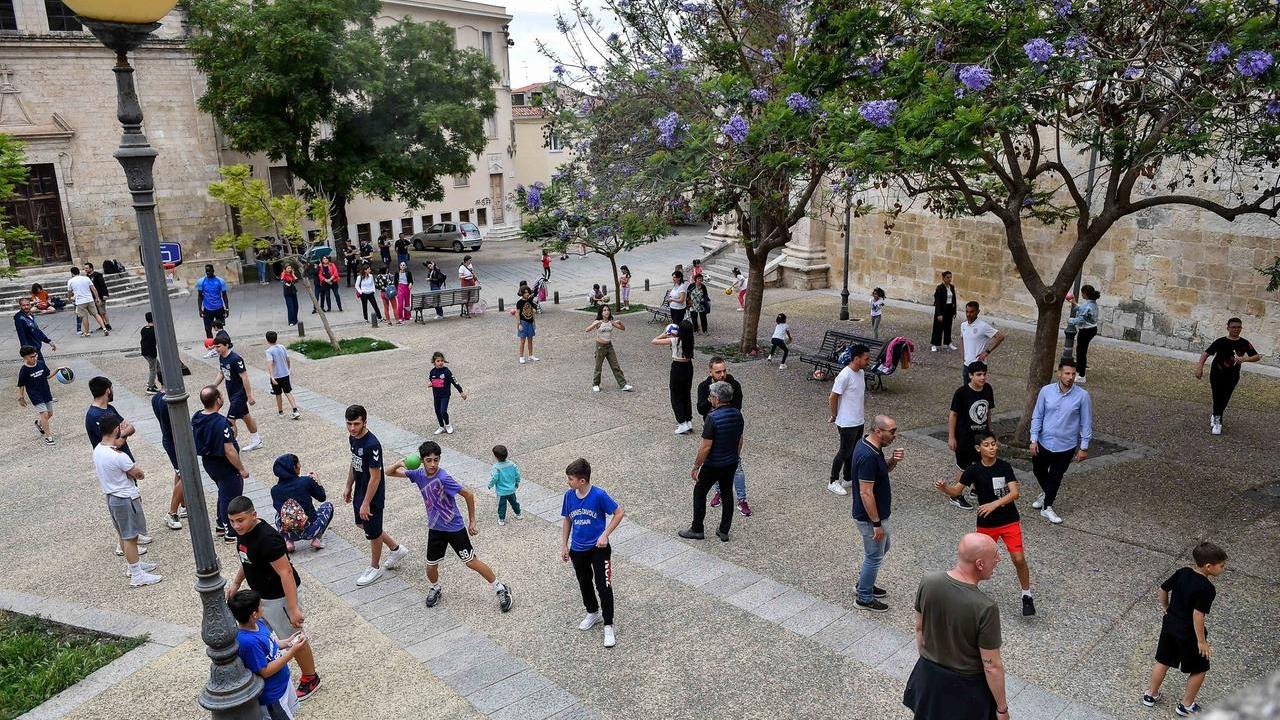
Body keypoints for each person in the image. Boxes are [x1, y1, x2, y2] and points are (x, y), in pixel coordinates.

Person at [385, 441, 512, 612]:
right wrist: (401, 462)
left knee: (471, 562)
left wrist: (472, 521)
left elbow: (468, 494)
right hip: (435, 528)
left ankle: (500, 587)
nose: (433, 464)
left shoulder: (443, 478)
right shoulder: (418, 474)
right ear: (422, 460)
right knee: (430, 566)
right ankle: (435, 588)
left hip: (454, 528)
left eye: (436, 460)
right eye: (428, 460)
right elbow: (389, 472)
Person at [225, 496, 322, 703]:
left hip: (280, 597)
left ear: (254, 516)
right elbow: (247, 559)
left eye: (240, 520)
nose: (236, 526)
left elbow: (286, 572)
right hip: (261, 597)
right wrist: (235, 582)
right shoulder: (244, 533)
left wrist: (293, 608)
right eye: (232, 521)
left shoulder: (267, 539)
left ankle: (310, 677)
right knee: (268, 637)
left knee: (294, 636)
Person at [902, 534, 1008, 720]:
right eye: (995, 556)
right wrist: (1002, 709)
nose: (998, 560)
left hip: (928, 679)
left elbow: (919, 628)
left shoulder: (929, 581)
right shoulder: (985, 607)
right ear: (980, 564)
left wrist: (931, 660)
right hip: (965, 690)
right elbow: (991, 666)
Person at [935, 431, 1035, 616]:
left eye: (994, 444)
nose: (992, 448)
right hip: (987, 524)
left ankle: (1026, 596)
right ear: (978, 448)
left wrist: (993, 504)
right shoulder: (973, 470)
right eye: (987, 445)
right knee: (977, 561)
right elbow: (956, 490)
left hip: (1009, 520)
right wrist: (944, 489)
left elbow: (1014, 494)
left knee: (1018, 559)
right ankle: (968, 592)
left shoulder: (1004, 467)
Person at [1143, 541, 1227, 717]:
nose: (1223, 569)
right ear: (1209, 567)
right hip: (1188, 633)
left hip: (1170, 624)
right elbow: (1198, 615)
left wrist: (1166, 607)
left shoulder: (1182, 573)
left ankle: (1150, 694)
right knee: (1199, 669)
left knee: (1163, 660)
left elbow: (1163, 588)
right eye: (1222, 566)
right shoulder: (1207, 588)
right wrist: (1201, 641)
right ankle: (1186, 705)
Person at [560, 457, 625, 648]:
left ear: (583, 480)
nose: (568, 482)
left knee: (603, 586)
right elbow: (567, 520)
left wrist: (605, 534)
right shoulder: (569, 496)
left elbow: (619, 512)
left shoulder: (599, 495)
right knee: (584, 582)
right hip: (577, 549)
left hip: (599, 549)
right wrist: (564, 545)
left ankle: (608, 625)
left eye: (571, 479)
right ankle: (592, 612)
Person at [93, 414, 162, 587]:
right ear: (116, 429)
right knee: (130, 537)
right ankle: (137, 575)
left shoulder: (98, 450)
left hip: (112, 497)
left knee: (124, 534)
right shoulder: (119, 456)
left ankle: (134, 566)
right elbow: (138, 473)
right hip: (124, 497)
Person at [344, 404, 408, 587]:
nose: (352, 428)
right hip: (360, 491)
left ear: (365, 421)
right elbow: (354, 461)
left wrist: (366, 503)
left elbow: (376, 477)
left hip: (372, 495)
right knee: (362, 524)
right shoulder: (353, 438)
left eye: (356, 424)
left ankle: (374, 567)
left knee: (372, 532)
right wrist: (349, 485)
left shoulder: (372, 444)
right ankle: (396, 548)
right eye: (349, 424)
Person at [680, 380, 745, 542]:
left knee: (700, 491)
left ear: (716, 398)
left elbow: (705, 447)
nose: (710, 399)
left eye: (711, 396)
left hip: (714, 463)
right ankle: (724, 530)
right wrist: (735, 457)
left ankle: (697, 528)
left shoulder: (712, 417)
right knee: (727, 493)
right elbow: (740, 440)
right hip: (730, 462)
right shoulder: (738, 414)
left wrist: (696, 466)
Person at [851, 415, 904, 612]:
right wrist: (876, 523)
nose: (895, 435)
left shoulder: (872, 445)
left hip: (878, 515)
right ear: (878, 432)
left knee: (882, 549)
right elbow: (866, 492)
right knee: (874, 556)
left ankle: (865, 581)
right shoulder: (869, 455)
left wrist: (893, 461)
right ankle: (864, 597)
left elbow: (882, 472)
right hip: (870, 518)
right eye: (892, 431)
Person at [1029, 360, 1091, 525]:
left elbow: (1086, 422)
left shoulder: (1082, 396)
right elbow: (1038, 415)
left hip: (1066, 445)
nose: (1071, 377)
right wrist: (1033, 439)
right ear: (1059, 373)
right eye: (1067, 373)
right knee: (1038, 469)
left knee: (1056, 476)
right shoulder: (1046, 391)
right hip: (1044, 442)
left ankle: (1047, 506)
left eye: (1073, 374)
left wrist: (1084, 447)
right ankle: (1046, 493)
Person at [227, 589, 306, 717]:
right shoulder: (249, 643)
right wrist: (291, 653)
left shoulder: (258, 623)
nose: (262, 608)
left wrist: (288, 642)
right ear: (254, 614)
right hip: (273, 696)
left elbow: (271, 644)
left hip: (282, 684)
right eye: (260, 606)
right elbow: (265, 671)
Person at [193, 386, 249, 543]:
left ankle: (220, 523)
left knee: (223, 492)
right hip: (224, 465)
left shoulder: (197, 417)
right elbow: (229, 450)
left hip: (209, 462)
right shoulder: (220, 422)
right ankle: (230, 530)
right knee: (231, 496)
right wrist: (241, 469)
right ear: (217, 399)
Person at [695, 357, 750, 516]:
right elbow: (700, 409)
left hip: (730, 429)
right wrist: (710, 402)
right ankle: (718, 491)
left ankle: (742, 499)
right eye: (718, 371)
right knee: (714, 463)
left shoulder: (733, 384)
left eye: (724, 370)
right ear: (710, 371)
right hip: (712, 429)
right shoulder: (704, 387)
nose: (722, 374)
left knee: (736, 465)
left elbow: (737, 406)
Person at [1195, 317, 1259, 436]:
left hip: (1233, 375)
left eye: (1238, 327)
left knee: (1225, 398)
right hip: (1217, 373)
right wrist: (1199, 367)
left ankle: (1215, 414)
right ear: (1228, 328)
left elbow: (1256, 356)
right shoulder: (1220, 341)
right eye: (1233, 327)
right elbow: (1206, 353)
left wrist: (1245, 359)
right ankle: (1218, 421)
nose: (1236, 329)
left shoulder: (1244, 343)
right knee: (1217, 396)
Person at [947, 361, 994, 510]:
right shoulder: (961, 392)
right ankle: (956, 495)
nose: (982, 378)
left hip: (981, 436)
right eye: (979, 375)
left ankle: (976, 489)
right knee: (964, 468)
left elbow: (988, 412)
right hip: (965, 437)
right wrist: (951, 437)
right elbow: (953, 414)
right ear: (971, 376)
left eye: (984, 374)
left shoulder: (987, 389)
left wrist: (990, 432)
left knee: (982, 463)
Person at [828, 343, 871, 496]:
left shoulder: (860, 373)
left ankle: (847, 478)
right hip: (846, 422)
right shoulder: (845, 375)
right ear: (856, 358)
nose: (868, 361)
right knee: (844, 452)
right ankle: (833, 481)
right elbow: (833, 396)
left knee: (852, 452)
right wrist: (835, 415)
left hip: (858, 420)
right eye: (866, 359)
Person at [270, 454, 334, 552]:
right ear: (293, 467)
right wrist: (316, 481)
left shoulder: (275, 490)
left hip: (289, 531)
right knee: (328, 506)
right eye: (298, 464)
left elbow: (280, 509)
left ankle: (288, 541)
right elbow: (322, 497)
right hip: (310, 529)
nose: (300, 466)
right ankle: (317, 538)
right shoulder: (305, 481)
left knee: (279, 514)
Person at [213, 334, 262, 452]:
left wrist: (249, 396)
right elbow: (222, 373)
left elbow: (244, 377)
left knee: (230, 421)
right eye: (215, 347)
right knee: (246, 416)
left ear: (226, 345)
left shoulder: (236, 359)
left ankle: (231, 447)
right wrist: (213, 386)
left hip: (239, 395)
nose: (216, 349)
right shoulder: (221, 357)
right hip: (232, 393)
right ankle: (256, 440)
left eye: (218, 346)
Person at [150, 390, 187, 530]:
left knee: (179, 472)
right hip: (175, 442)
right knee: (185, 475)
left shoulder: (156, 398)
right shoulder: (169, 402)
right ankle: (172, 512)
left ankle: (184, 504)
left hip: (168, 440)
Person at [653, 319, 695, 434]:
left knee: (676, 396)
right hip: (688, 367)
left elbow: (654, 341)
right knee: (686, 394)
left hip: (677, 367)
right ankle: (688, 420)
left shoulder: (674, 340)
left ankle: (681, 423)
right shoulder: (690, 340)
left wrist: (664, 334)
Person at [86, 376, 134, 461]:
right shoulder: (94, 416)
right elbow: (117, 444)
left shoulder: (110, 408)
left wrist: (121, 434)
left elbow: (131, 428)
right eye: (112, 388)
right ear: (108, 390)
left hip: (124, 461)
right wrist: (124, 433)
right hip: (113, 464)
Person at [586, 306, 632, 393]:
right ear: (601, 313)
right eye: (604, 310)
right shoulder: (598, 322)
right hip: (600, 347)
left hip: (609, 346)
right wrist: (594, 325)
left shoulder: (611, 322)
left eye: (608, 310)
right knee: (598, 366)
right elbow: (587, 330)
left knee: (615, 366)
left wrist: (620, 323)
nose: (606, 312)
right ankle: (596, 384)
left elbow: (623, 328)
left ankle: (623, 385)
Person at [17, 345, 56, 446]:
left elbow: (48, 376)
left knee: (50, 414)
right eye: (31, 357)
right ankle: (49, 437)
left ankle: (39, 424)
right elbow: (21, 385)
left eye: (35, 355)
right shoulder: (24, 370)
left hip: (46, 392)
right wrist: (21, 397)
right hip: (35, 395)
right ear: (25, 357)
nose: (34, 358)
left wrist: (57, 370)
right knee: (44, 414)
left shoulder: (41, 363)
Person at [959, 301, 1006, 384]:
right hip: (967, 365)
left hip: (979, 366)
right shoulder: (963, 325)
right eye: (967, 312)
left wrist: (986, 352)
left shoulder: (983, 326)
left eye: (971, 312)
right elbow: (962, 338)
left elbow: (1000, 336)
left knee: (977, 391)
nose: (968, 314)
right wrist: (963, 354)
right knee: (966, 390)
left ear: (978, 312)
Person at [428, 351, 467, 434]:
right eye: (438, 361)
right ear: (434, 362)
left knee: (443, 411)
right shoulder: (432, 372)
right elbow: (432, 380)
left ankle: (448, 425)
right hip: (436, 395)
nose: (440, 363)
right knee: (437, 411)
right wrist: (431, 384)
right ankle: (441, 427)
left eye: (442, 361)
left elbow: (454, 381)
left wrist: (461, 392)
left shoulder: (446, 371)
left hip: (445, 395)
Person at [1069, 284, 1101, 383]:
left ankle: (1081, 375)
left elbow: (1081, 319)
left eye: (1082, 293)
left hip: (1086, 331)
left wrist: (1070, 321)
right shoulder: (1092, 303)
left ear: (1085, 294)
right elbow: (1083, 309)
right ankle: (1079, 372)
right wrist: (1074, 303)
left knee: (1081, 352)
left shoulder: (1087, 305)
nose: (1081, 294)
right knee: (1082, 351)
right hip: (1092, 329)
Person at [265, 331, 299, 420]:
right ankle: (295, 410)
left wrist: (272, 377)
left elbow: (270, 364)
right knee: (288, 392)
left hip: (276, 376)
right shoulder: (282, 347)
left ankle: (280, 412)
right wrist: (288, 368)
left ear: (267, 340)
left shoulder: (269, 351)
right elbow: (288, 359)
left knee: (278, 394)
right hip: (285, 374)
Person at [67, 265, 108, 337]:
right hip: (89, 299)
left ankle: (86, 332)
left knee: (84, 317)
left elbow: (69, 292)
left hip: (80, 301)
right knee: (96, 314)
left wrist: (69, 299)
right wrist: (97, 298)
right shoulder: (86, 278)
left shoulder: (70, 281)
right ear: (79, 272)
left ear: (72, 273)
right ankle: (104, 328)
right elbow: (94, 289)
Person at [488, 445, 522, 526]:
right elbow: (517, 474)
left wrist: (490, 485)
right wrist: (517, 482)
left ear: (496, 457)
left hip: (501, 491)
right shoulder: (512, 464)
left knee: (502, 505)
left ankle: (502, 519)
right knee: (514, 502)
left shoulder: (496, 467)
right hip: (511, 489)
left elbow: (494, 478)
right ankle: (519, 514)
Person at [14, 298, 56, 366]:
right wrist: (27, 352)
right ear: (20, 306)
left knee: (42, 370)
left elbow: (37, 331)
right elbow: (22, 335)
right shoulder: (19, 318)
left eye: (27, 305)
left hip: (36, 347)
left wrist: (48, 341)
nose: (26, 307)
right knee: (41, 370)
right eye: (23, 305)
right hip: (31, 350)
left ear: (30, 305)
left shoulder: (30, 316)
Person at [195, 264, 229, 340]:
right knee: (207, 329)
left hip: (219, 308)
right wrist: (200, 309)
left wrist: (227, 308)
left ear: (213, 271)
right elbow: (200, 296)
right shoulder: (201, 282)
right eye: (206, 271)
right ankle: (211, 346)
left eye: (209, 271)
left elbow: (224, 295)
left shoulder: (220, 281)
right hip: (207, 309)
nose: (208, 272)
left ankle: (221, 343)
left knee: (220, 328)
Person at [931, 270, 957, 352]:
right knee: (938, 327)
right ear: (943, 278)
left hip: (949, 309)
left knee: (948, 327)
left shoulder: (952, 287)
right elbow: (938, 301)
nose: (949, 279)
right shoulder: (940, 288)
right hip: (942, 309)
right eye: (947, 277)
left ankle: (948, 343)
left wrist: (954, 311)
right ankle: (934, 344)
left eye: (950, 277)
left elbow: (954, 299)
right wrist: (939, 314)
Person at [83, 262, 112, 331]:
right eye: (84, 268)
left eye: (87, 268)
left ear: (91, 268)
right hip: (92, 298)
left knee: (102, 311)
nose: (85, 270)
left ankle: (108, 324)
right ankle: (103, 324)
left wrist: (105, 294)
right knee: (97, 313)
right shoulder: (87, 277)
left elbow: (103, 285)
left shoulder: (97, 275)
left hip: (100, 296)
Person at [140, 312, 161, 394]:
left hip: (144, 351)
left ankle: (154, 382)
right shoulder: (154, 330)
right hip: (151, 352)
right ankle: (150, 386)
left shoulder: (143, 329)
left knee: (158, 366)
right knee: (153, 369)